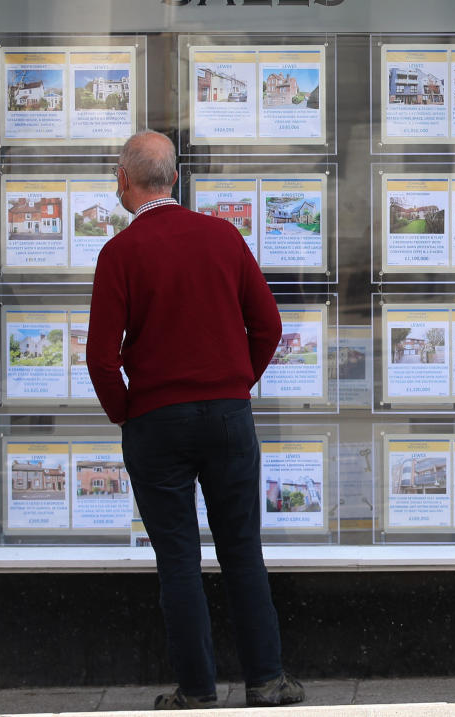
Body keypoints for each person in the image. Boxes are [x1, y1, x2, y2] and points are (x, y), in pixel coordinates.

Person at [86, 131, 304, 709]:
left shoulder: (119, 254)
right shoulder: (222, 236)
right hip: (228, 417)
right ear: (175, 179)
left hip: (157, 421)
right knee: (241, 550)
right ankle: (267, 680)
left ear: (124, 180)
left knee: (178, 559)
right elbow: (269, 327)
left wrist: (127, 414)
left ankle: (198, 690)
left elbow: (101, 358)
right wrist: (236, 384)